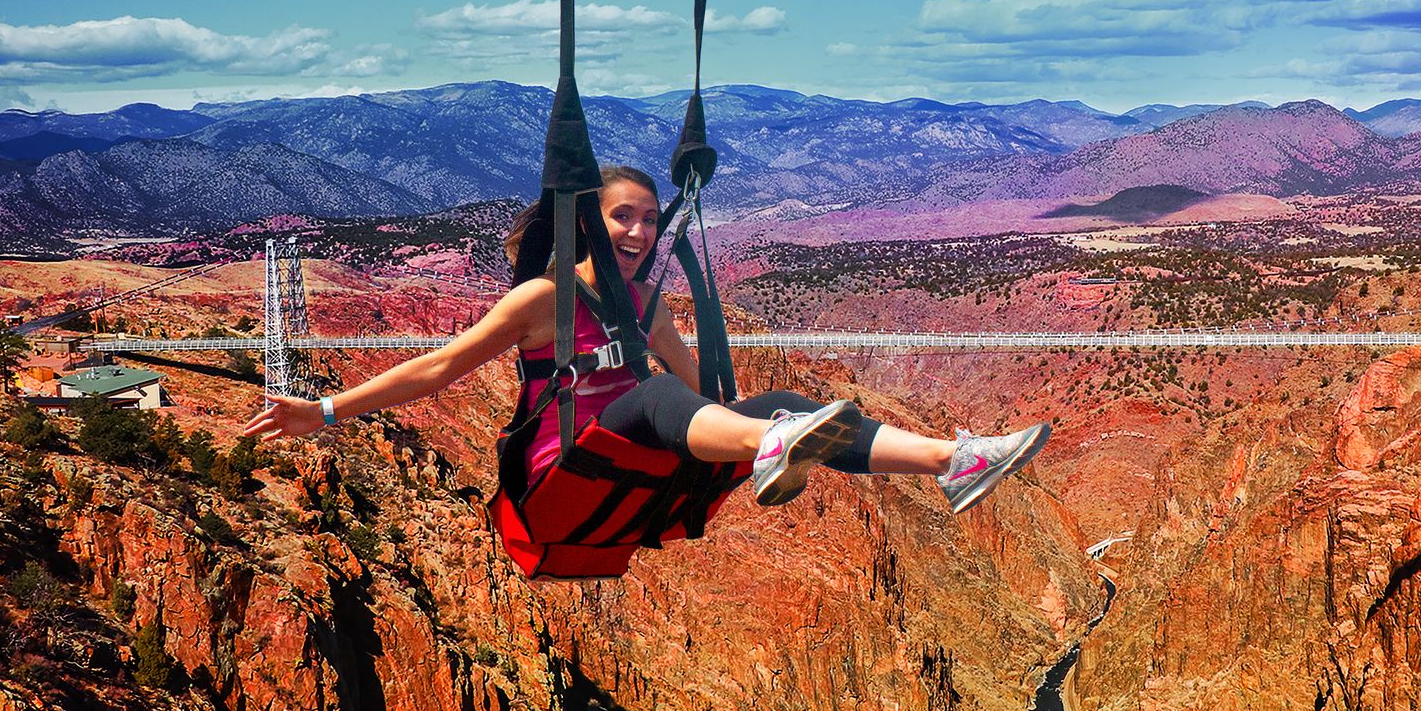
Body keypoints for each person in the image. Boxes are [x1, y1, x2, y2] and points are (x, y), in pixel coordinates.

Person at [244, 165, 1050, 517]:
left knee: (784, 403)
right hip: (561, 468)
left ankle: (955, 462)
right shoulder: (545, 297)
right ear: (589, 220)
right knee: (655, 394)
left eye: (648, 218)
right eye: (620, 215)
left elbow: (700, 396)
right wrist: (327, 410)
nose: (637, 229)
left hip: (640, 447)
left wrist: (745, 423)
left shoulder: (649, 302)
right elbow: (440, 366)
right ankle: (773, 446)